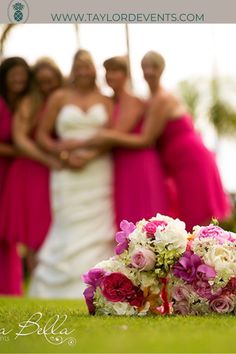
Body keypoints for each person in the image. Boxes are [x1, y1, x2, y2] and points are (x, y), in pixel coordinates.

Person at [81, 51, 232, 231]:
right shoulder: (149, 99)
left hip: (191, 161)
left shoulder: (162, 99)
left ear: (162, 70)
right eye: (146, 67)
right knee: (188, 221)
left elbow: (146, 139)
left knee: (199, 221)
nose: (149, 72)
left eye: (154, 67)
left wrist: (107, 136)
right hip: (177, 166)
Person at [28, 49, 115, 298]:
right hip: (66, 171)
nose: (83, 70)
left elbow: (111, 137)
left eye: (88, 66)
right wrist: (62, 153)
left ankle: (100, 287)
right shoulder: (59, 97)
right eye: (79, 66)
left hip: (98, 169)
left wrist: (89, 155)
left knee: (100, 229)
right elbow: (43, 135)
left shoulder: (106, 100)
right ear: (73, 69)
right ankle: (57, 288)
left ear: (94, 69)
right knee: (68, 224)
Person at [0, 58, 63, 276]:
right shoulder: (30, 102)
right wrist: (48, 159)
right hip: (30, 171)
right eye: (41, 81)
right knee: (36, 231)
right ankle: (39, 282)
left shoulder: (62, 100)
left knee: (52, 231)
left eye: (51, 81)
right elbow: (20, 139)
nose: (46, 86)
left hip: (53, 172)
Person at [103, 56, 168, 226]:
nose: (110, 75)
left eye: (115, 70)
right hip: (121, 164)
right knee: (125, 219)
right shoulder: (110, 101)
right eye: (107, 71)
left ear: (126, 75)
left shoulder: (132, 100)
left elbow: (116, 134)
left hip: (139, 164)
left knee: (145, 220)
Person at [0, 57, 31, 295]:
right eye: (14, 73)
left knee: (7, 235)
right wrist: (22, 150)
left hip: (14, 174)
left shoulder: (23, 103)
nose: (18, 78)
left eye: (22, 74)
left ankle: (10, 288)